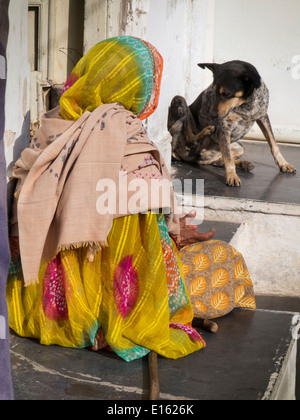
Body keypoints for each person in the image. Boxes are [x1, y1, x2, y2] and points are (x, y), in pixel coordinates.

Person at [6, 36, 255, 363]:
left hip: (48, 305)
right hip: (125, 299)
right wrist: (174, 234)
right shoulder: (125, 133)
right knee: (224, 258)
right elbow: (143, 243)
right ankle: (110, 323)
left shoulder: (54, 121)